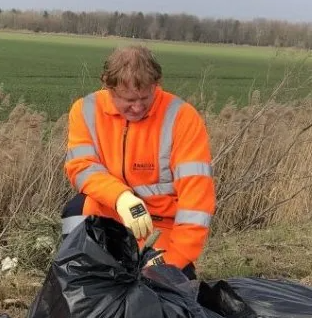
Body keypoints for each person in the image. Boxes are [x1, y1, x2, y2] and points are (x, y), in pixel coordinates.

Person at [61, 45, 216, 279]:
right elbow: (81, 167)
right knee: (76, 209)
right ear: (108, 88)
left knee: (170, 295)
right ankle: (75, 273)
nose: (137, 107)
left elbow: (196, 204)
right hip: (110, 214)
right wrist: (122, 198)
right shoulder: (85, 110)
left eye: (145, 98)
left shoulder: (182, 117)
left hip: (160, 228)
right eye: (129, 100)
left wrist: (172, 261)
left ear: (156, 84)